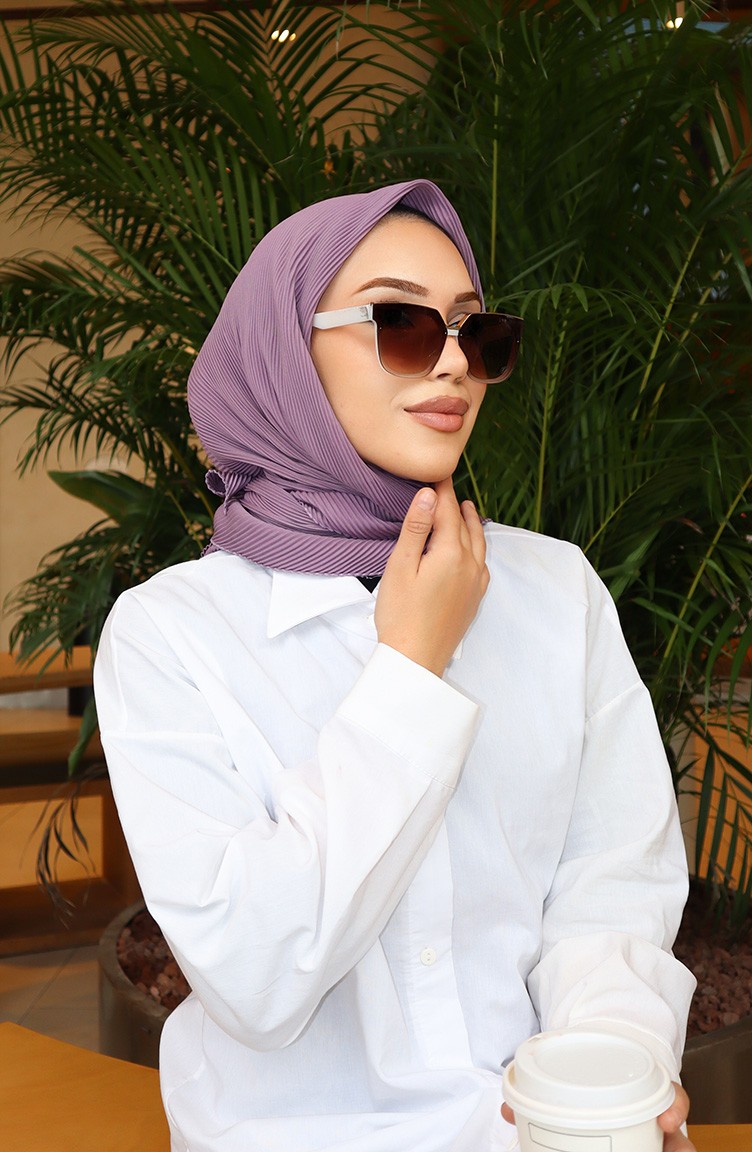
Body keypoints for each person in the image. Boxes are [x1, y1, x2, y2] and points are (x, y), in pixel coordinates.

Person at [93, 179, 697, 1152]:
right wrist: (412, 667)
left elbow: (610, 882)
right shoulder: (171, 635)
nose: (453, 361)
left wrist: (605, 1071)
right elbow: (253, 975)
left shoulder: (555, 591)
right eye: (401, 324)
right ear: (285, 354)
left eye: (475, 331)